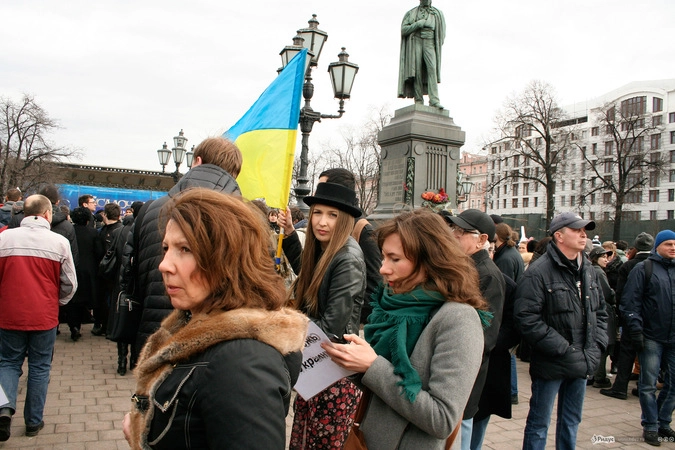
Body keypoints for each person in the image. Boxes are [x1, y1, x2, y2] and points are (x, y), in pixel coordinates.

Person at [122, 189, 307, 449]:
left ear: (229, 259)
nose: (164, 264)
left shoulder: (241, 363)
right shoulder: (199, 326)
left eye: (185, 249)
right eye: (166, 248)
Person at [323, 208, 487, 449]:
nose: (383, 268)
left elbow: (442, 419)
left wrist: (372, 366)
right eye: (383, 257)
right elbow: (382, 385)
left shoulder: (458, 319)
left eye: (395, 259)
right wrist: (353, 363)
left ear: (430, 260)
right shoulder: (393, 305)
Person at [122, 136, 242, 361]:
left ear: (197, 161)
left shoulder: (149, 210)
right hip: (212, 342)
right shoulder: (242, 218)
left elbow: (128, 272)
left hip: (152, 333)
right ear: (234, 173)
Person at [514, 212, 608, 450]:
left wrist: (597, 345)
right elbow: (526, 318)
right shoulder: (538, 271)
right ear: (559, 236)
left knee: (571, 421)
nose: (583, 235)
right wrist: (563, 349)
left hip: (583, 359)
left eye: (584, 230)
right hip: (552, 361)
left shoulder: (588, 269)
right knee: (539, 423)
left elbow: (600, 311)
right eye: (577, 230)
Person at [287, 182, 366, 449]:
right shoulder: (324, 247)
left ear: (344, 220)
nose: (322, 222)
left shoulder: (348, 258)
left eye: (332, 215)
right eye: (318, 213)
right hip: (316, 366)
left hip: (333, 373)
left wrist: (283, 327)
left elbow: (331, 327)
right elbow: (309, 278)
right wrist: (290, 235)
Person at [0, 194, 77, 442]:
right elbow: (70, 283)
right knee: (40, 366)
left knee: (8, 363)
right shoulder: (59, 242)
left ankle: (4, 409)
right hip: (44, 315)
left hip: (9, 313)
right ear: (47, 214)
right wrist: (56, 302)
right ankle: (33, 421)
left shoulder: (4, 239)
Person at [442, 209, 504, 450]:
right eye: (453, 229)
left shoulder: (487, 276)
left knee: (461, 435)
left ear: (482, 240)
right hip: (452, 368)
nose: (454, 235)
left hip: (466, 372)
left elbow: (486, 336)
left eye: (462, 231)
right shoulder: (463, 267)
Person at [621, 229, 675, 446]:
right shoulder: (644, 268)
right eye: (668, 244)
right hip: (651, 336)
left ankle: (663, 421)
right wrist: (636, 330)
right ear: (657, 246)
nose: (673, 248)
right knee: (648, 384)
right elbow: (630, 302)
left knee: (673, 383)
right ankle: (651, 425)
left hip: (673, 338)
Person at [601, 232, 654, 400]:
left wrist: (621, 313)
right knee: (649, 354)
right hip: (652, 318)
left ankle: (620, 387)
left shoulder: (629, 265)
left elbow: (622, 294)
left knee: (627, 352)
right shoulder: (656, 265)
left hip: (632, 316)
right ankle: (644, 386)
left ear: (636, 247)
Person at [398, 0, 445, 109]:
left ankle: (434, 100)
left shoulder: (437, 13)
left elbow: (441, 35)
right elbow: (403, 30)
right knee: (417, 70)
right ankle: (418, 99)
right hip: (416, 41)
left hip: (430, 42)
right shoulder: (411, 13)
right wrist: (417, 24)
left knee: (432, 69)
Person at [68, 207, 104, 341]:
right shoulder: (93, 233)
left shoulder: (70, 231)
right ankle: (96, 323)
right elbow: (99, 252)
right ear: (88, 219)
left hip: (73, 268)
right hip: (90, 270)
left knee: (74, 300)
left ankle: (74, 326)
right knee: (92, 298)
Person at [92, 202, 124, 336]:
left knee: (103, 300)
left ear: (105, 215)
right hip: (117, 271)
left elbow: (97, 252)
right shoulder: (122, 230)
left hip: (104, 272)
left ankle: (104, 325)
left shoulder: (101, 232)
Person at [588, 247, 616, 389]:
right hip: (603, 310)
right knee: (603, 342)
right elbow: (607, 294)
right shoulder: (598, 271)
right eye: (603, 257)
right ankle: (599, 376)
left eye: (607, 257)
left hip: (594, 310)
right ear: (595, 258)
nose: (606, 260)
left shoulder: (590, 270)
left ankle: (593, 375)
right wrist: (614, 294)